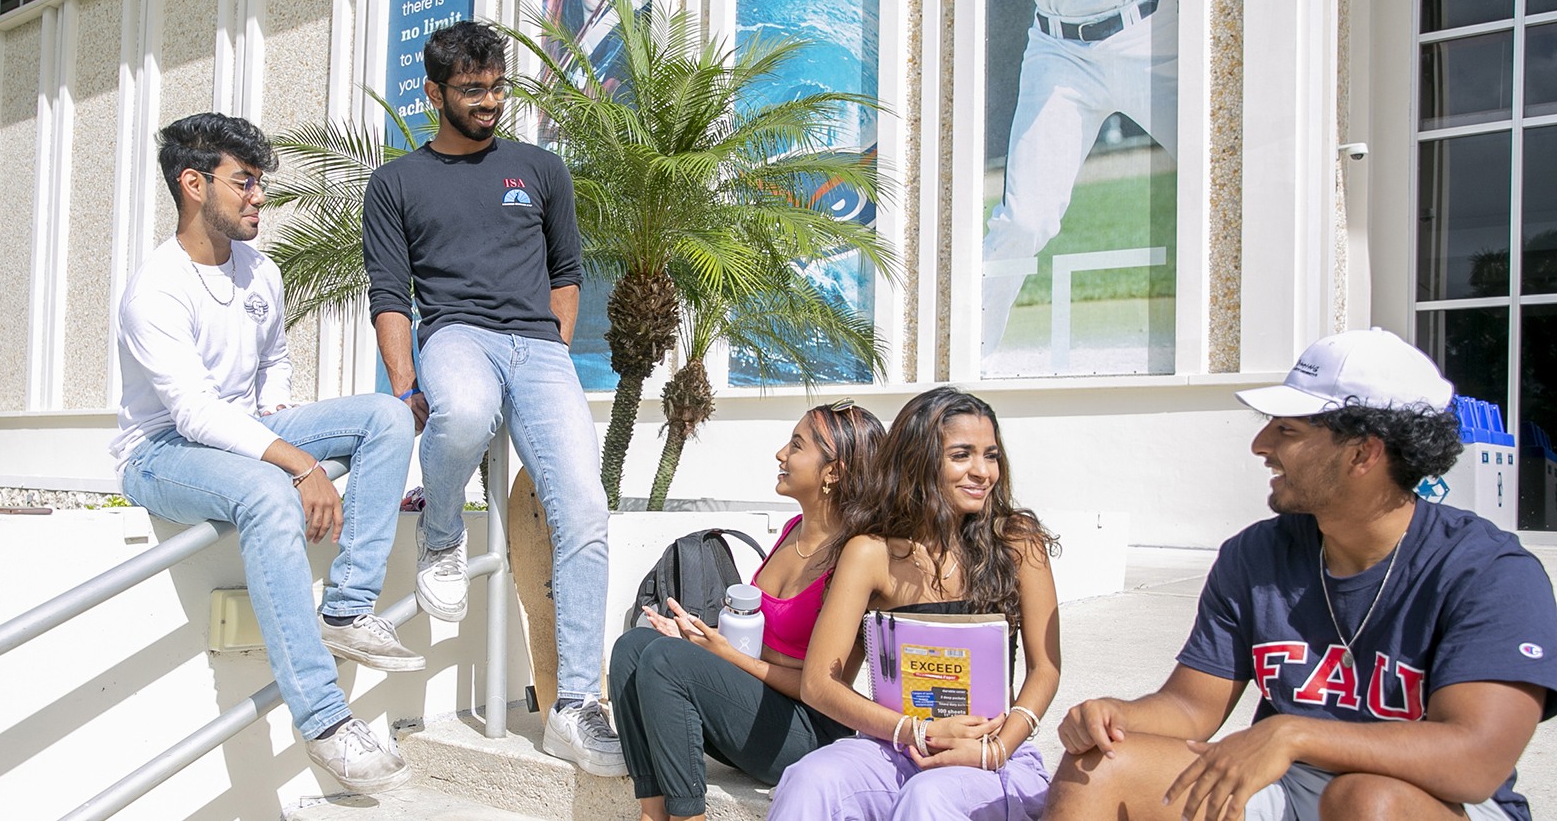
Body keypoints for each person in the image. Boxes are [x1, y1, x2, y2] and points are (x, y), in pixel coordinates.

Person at [1044, 328, 1557, 821]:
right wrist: (1114, 715)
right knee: (1099, 765)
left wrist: (1293, 734)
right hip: (1288, 781)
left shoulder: (1490, 573)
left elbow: (1474, 761)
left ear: (1363, 453)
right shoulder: (1256, 555)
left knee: (1365, 801)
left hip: (1431, 800)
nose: (1261, 444)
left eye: (1287, 429)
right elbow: (1189, 707)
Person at [114, 113, 419, 794]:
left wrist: (281, 427)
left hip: (241, 431)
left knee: (385, 417)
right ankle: (326, 725)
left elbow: (272, 366)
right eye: (244, 181)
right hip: (161, 451)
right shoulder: (156, 290)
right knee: (264, 492)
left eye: (260, 183)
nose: (259, 197)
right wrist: (300, 464)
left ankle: (345, 609)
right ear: (194, 184)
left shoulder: (261, 271)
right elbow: (192, 413)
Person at [360, 21, 623, 776]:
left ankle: (573, 706)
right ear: (434, 92)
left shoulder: (541, 169)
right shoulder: (396, 183)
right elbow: (389, 293)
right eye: (472, 89)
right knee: (466, 414)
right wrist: (405, 383)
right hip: (455, 337)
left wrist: (554, 351)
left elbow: (566, 269)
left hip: (538, 347)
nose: (489, 100)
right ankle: (441, 535)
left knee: (585, 510)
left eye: (498, 86)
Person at [770, 387, 1063, 820]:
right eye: (962, 455)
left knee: (929, 796)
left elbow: (1046, 669)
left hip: (990, 754)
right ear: (920, 459)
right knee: (809, 779)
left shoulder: (1017, 542)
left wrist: (997, 749)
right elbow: (819, 683)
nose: (983, 472)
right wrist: (915, 730)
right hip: (894, 744)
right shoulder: (871, 552)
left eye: (991, 455)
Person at [610, 401, 887, 821]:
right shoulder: (794, 530)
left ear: (833, 472)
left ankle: (688, 817)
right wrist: (700, 640)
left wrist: (722, 655)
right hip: (750, 708)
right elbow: (756, 640)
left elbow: (824, 687)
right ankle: (653, 812)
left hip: (805, 731)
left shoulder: (854, 558)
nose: (781, 454)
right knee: (633, 647)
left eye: (796, 445)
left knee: (667, 659)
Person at [980, 0, 1178, 366]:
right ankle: (964, 360)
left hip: (1152, 30)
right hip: (1058, 49)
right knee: (1022, 221)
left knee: (1223, 179)